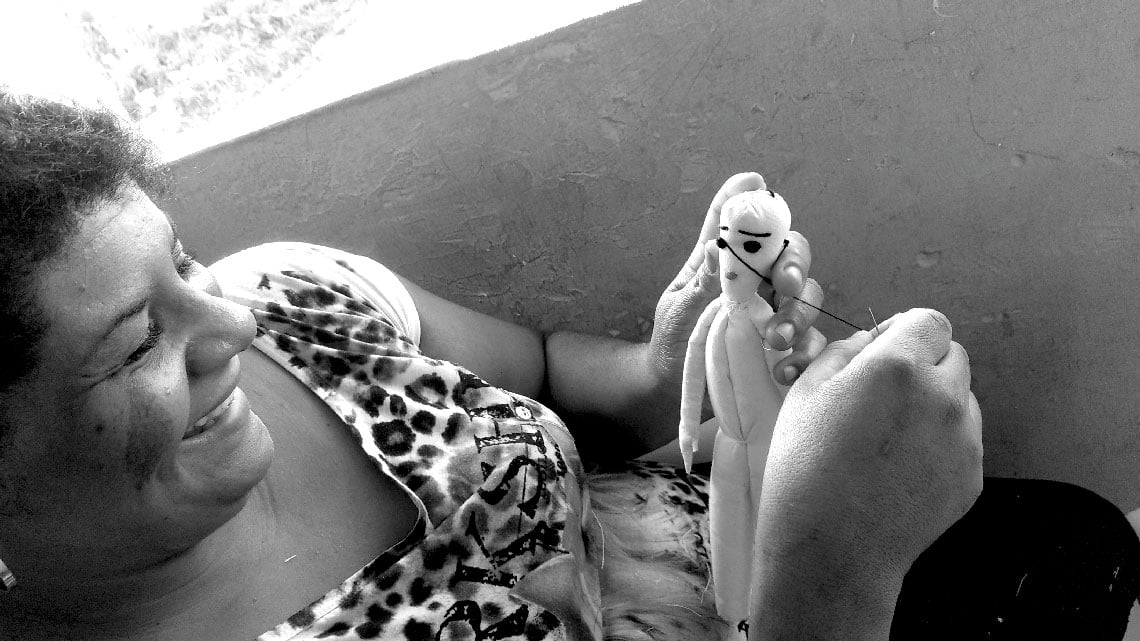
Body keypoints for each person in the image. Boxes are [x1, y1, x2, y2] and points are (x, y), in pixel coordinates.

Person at [0, 90, 985, 641]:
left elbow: (546, 371)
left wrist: (663, 367)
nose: (232, 319)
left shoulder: (301, 302)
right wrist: (835, 568)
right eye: (138, 343)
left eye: (182, 261)